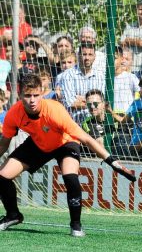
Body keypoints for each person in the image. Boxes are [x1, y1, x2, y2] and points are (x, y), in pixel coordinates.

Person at [0, 74, 134, 237]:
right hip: (38, 143)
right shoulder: (14, 114)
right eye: (28, 96)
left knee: (70, 177)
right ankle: (13, 215)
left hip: (66, 142)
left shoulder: (55, 110)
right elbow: (4, 143)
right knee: (2, 176)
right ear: (20, 95)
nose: (32, 100)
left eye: (36, 95)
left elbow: (86, 138)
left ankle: (76, 225)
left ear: (42, 93)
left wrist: (112, 162)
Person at [57, 42, 106, 125]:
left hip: (96, 124)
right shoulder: (67, 75)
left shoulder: (101, 76)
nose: (87, 57)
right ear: (78, 55)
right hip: (75, 124)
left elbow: (102, 102)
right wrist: (93, 102)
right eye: (84, 54)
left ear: (95, 57)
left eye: (90, 54)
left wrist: (79, 98)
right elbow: (70, 103)